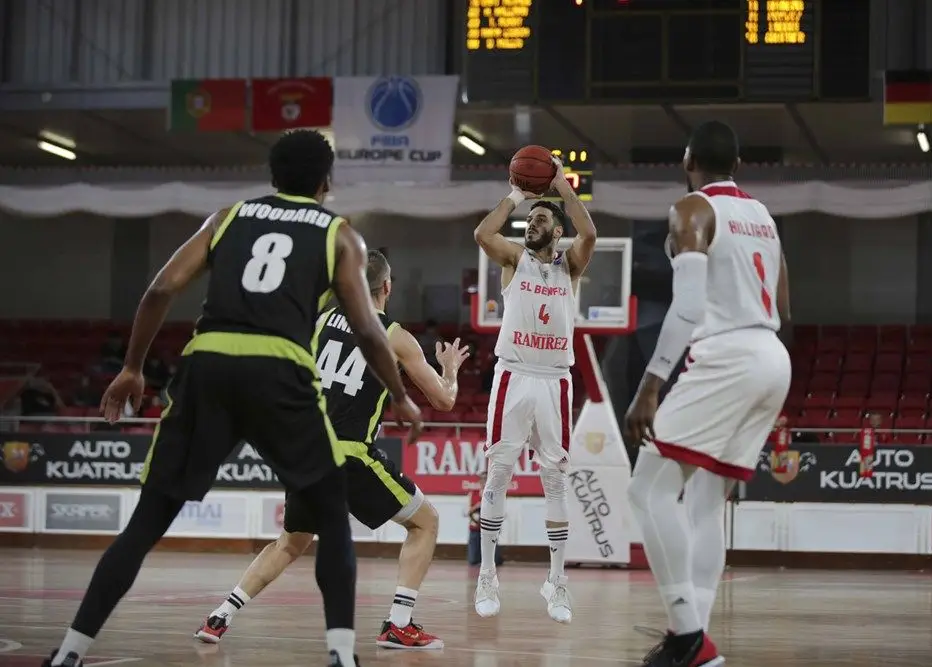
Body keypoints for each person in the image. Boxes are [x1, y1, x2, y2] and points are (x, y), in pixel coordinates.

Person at [40, 130, 422, 667]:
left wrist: (131, 367)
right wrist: (400, 396)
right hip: (280, 373)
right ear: (326, 182)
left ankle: (71, 652)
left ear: (271, 176)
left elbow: (159, 290)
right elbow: (365, 325)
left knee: (146, 523)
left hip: (209, 365)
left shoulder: (227, 217)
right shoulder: (341, 235)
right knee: (331, 520)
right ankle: (342, 655)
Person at [195, 249, 469, 650]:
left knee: (291, 542)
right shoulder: (395, 336)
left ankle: (221, 615)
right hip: (349, 452)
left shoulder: (319, 320)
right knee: (425, 522)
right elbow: (444, 401)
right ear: (387, 287)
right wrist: (450, 369)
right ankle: (399, 624)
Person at [624, 121, 791, 667]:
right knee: (702, 504)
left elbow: (690, 307)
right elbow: (784, 301)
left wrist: (650, 384)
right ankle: (694, 640)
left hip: (727, 356)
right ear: (739, 165)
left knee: (647, 489)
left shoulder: (692, 209)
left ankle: (687, 635)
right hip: (771, 355)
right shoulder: (763, 217)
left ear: (687, 159)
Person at [471, 155, 597, 623]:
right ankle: (487, 574)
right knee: (498, 473)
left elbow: (591, 235)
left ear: (556, 230)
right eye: (530, 219)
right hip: (515, 374)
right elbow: (483, 235)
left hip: (554, 382)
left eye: (540, 219)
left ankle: (557, 582)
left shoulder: (571, 267)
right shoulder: (513, 259)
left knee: (555, 481)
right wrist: (517, 197)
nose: (531, 224)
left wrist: (563, 190)